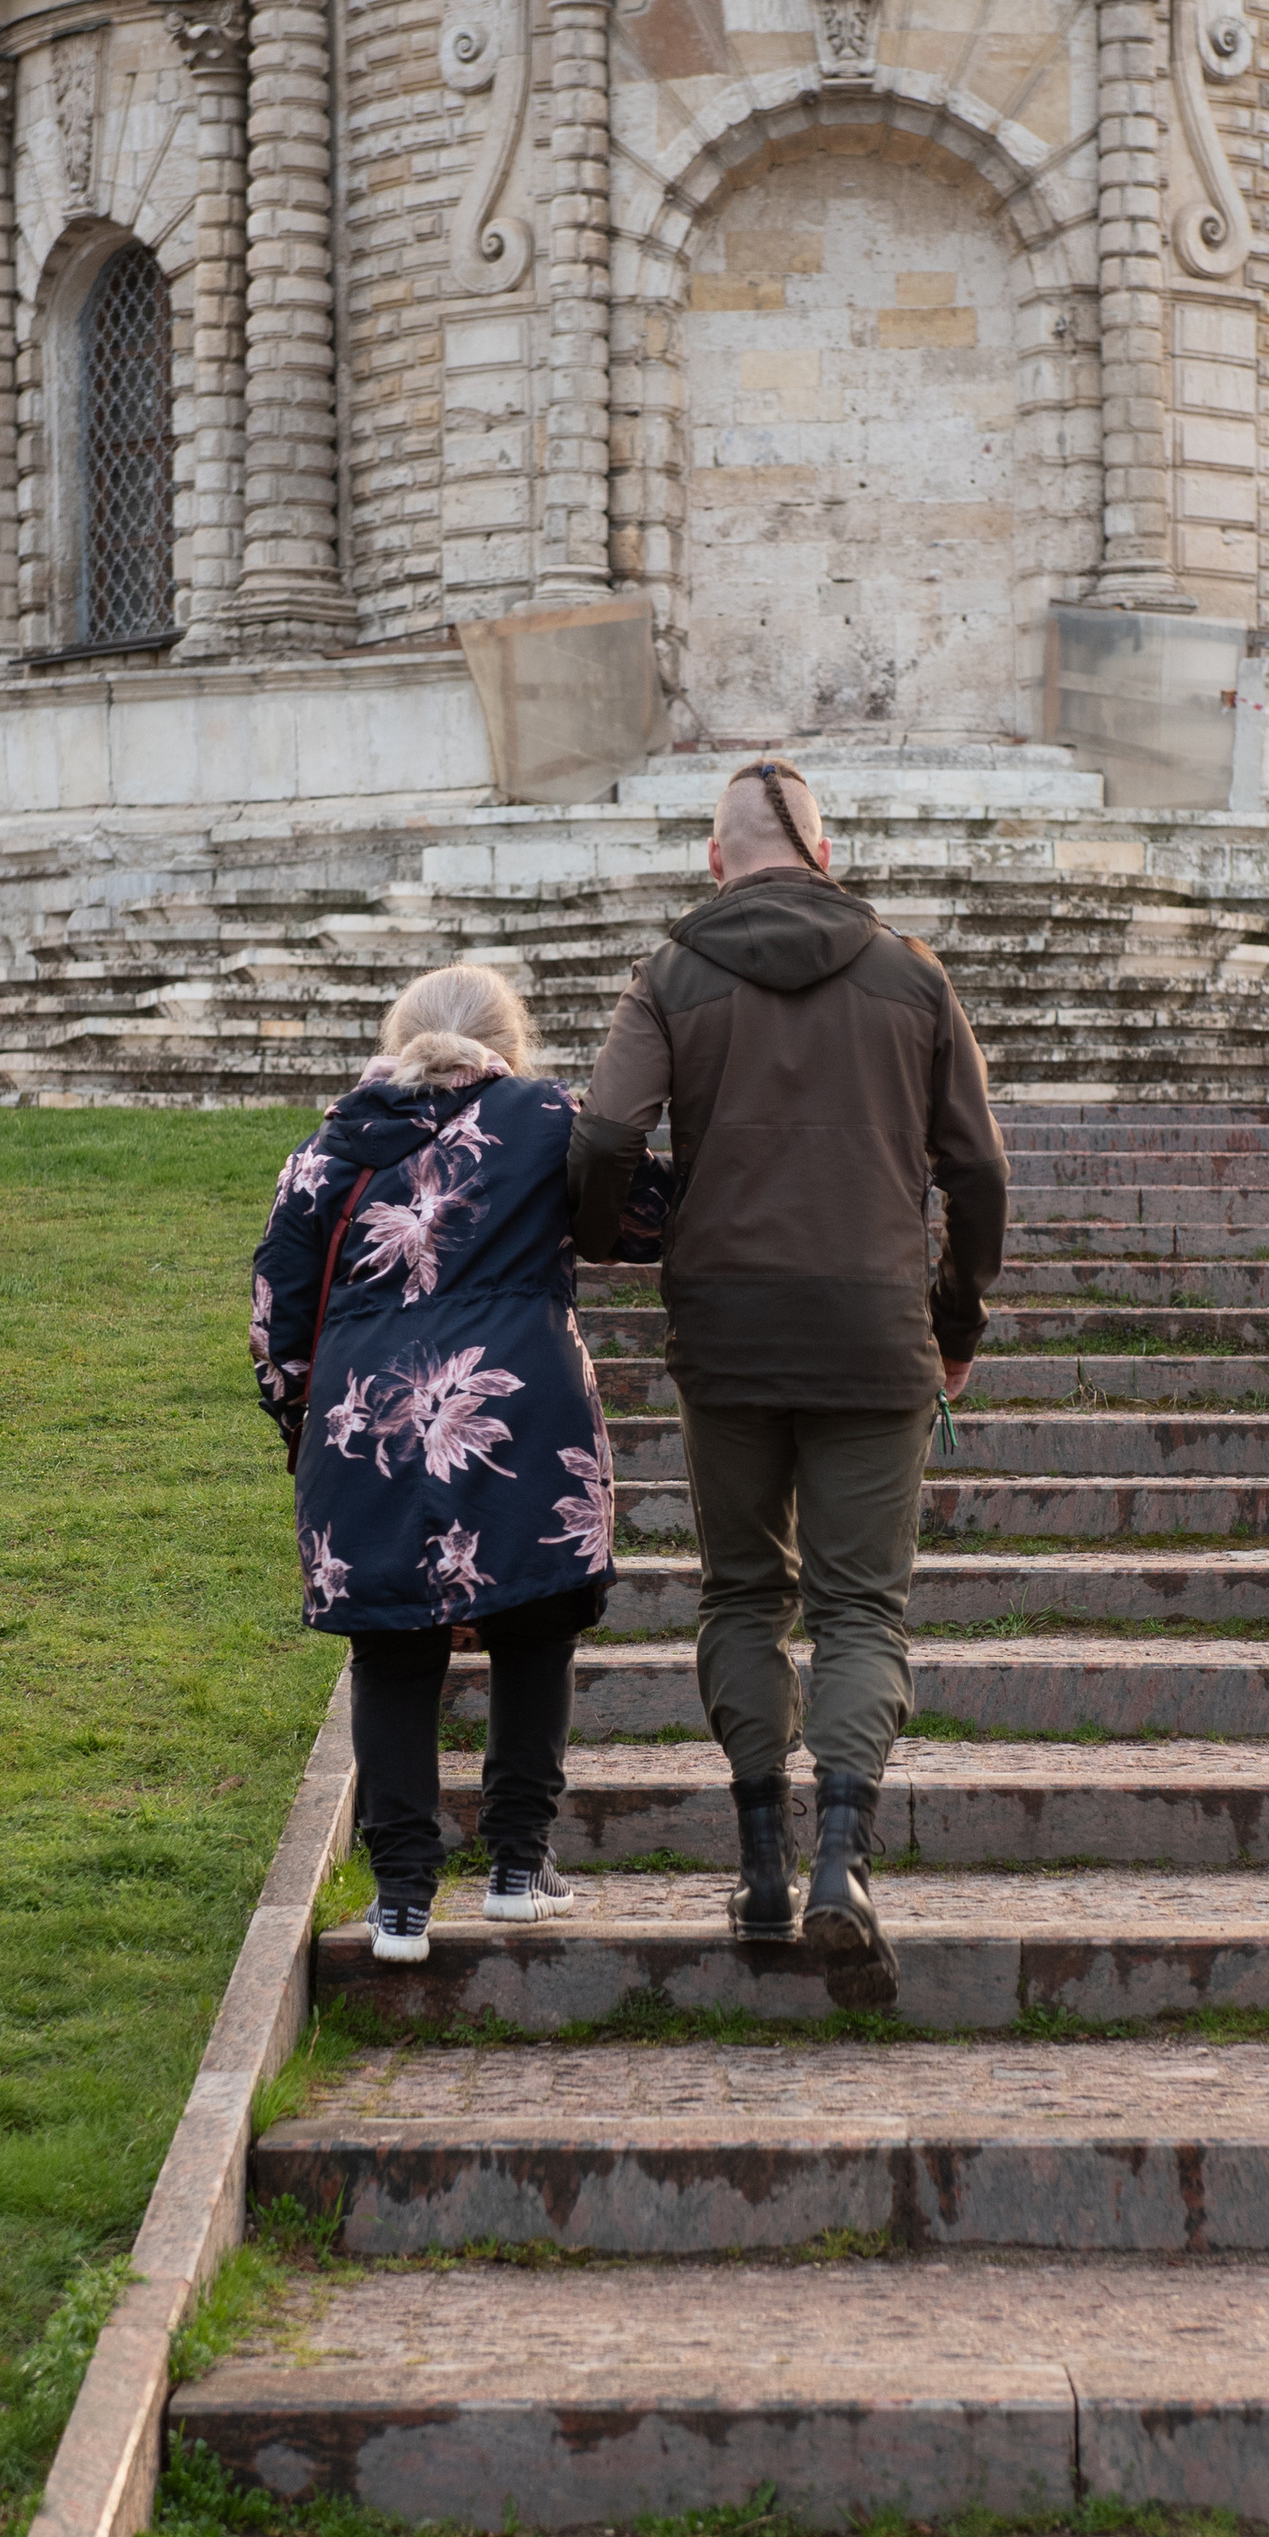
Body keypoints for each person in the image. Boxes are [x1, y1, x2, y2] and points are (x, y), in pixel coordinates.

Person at [568, 759, 1007, 2004]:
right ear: (825, 850)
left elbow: (602, 1134)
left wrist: (609, 1239)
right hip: (874, 1328)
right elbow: (978, 1172)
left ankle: (761, 1867)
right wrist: (956, 1320)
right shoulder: (911, 975)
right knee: (861, 1609)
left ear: (716, 858)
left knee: (745, 1594)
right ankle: (839, 1865)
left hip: (729, 1330)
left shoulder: (671, 972)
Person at [251, 963, 614, 1964]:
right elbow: (642, 1214)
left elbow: (276, 1317)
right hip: (518, 1408)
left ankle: (402, 1899)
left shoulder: (327, 1149)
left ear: (397, 1037)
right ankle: (518, 1869)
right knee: (536, 1631)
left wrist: (300, 1424)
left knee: (390, 1651)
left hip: (362, 1421)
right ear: (512, 1042)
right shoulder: (551, 1120)